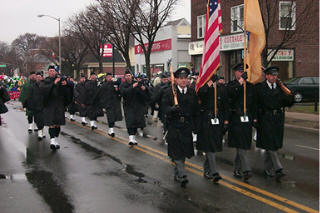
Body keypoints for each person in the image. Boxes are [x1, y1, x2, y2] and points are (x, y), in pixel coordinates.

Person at [162, 67, 200, 187]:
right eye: (181, 78)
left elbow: (195, 110)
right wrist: (171, 109)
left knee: (183, 152)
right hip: (174, 126)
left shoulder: (191, 92)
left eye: (186, 78)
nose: (184, 81)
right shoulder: (170, 92)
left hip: (186, 127)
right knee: (176, 151)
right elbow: (163, 108)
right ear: (176, 80)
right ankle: (182, 174)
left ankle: (178, 172)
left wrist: (195, 127)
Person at [255, 66, 294, 182]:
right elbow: (256, 104)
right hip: (265, 118)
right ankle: (278, 168)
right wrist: (255, 119)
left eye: (275, 75)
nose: (274, 77)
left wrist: (290, 95)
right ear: (266, 76)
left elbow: (288, 103)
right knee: (270, 144)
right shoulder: (260, 87)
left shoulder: (281, 87)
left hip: (277, 119)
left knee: (273, 144)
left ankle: (267, 169)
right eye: (272, 75)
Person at [227, 63, 257, 182]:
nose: (242, 74)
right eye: (240, 71)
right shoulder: (231, 85)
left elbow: (254, 104)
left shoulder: (250, 86)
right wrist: (239, 84)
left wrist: (254, 117)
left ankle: (237, 168)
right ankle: (246, 170)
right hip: (236, 119)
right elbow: (230, 96)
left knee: (244, 145)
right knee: (240, 145)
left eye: (244, 72)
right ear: (235, 73)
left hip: (247, 119)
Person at [197, 74, 229, 183]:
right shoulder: (204, 87)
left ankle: (207, 170)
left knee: (213, 146)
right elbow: (200, 94)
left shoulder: (221, 89)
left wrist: (225, 120)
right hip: (206, 120)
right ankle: (214, 171)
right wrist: (209, 83)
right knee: (209, 145)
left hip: (217, 120)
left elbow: (225, 105)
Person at [40, 65, 73, 150]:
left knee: (57, 124)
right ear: (48, 72)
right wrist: (54, 83)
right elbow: (43, 90)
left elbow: (71, 84)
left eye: (53, 71)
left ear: (56, 72)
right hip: (49, 105)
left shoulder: (61, 80)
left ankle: (56, 139)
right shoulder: (45, 81)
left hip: (59, 105)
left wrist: (66, 83)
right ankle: (52, 140)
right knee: (51, 124)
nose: (51, 72)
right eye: (50, 71)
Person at [120, 70, 150, 145]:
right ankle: (131, 138)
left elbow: (143, 94)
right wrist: (132, 87)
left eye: (129, 75)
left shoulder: (136, 83)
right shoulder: (123, 85)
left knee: (136, 122)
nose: (128, 77)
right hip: (128, 106)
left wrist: (144, 89)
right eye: (126, 76)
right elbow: (124, 92)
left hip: (137, 106)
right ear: (125, 77)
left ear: (131, 76)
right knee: (130, 122)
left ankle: (133, 137)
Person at [99, 73, 123, 137]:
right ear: (106, 78)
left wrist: (117, 90)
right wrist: (103, 104)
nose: (110, 78)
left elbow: (119, 92)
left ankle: (111, 129)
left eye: (110, 76)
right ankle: (111, 130)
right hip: (108, 103)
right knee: (110, 116)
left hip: (115, 103)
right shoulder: (104, 85)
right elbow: (101, 94)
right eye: (108, 77)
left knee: (114, 117)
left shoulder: (115, 84)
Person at [28, 72, 46, 140]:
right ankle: (40, 132)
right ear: (36, 78)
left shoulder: (45, 85)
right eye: (37, 77)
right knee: (38, 119)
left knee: (43, 119)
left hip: (44, 105)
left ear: (42, 77)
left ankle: (42, 130)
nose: (38, 78)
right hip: (36, 106)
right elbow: (30, 96)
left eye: (40, 77)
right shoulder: (32, 86)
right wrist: (30, 105)